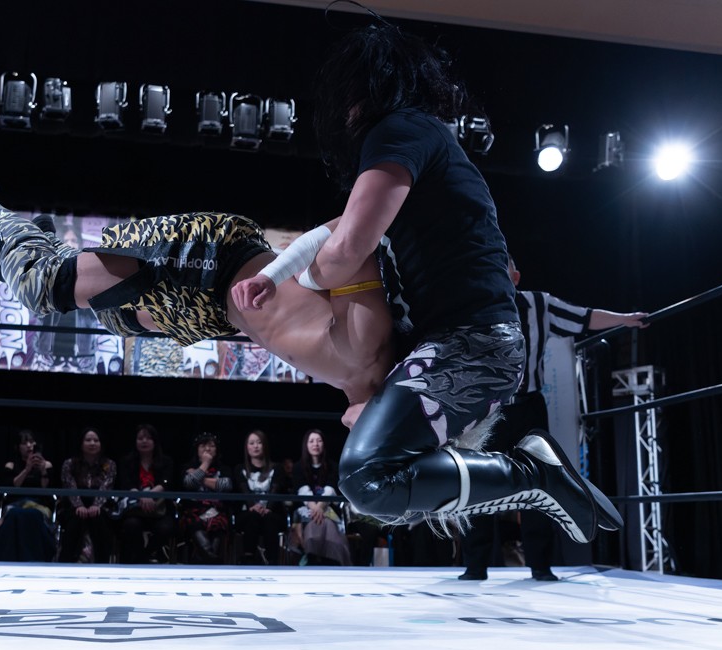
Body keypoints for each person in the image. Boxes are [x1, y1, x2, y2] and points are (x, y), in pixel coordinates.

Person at [233, 22, 623, 542]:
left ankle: (533, 473)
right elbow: (329, 233)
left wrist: (309, 278)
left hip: (471, 343)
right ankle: (531, 472)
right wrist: (272, 274)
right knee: (381, 474)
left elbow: (342, 253)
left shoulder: (398, 132)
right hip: (463, 343)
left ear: (361, 92)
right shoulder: (421, 147)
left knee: (368, 477)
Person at [0, 176, 392, 415]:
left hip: (210, 311)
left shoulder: (357, 380)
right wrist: (278, 272)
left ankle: (48, 248)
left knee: (117, 320)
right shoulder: (365, 348)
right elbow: (350, 234)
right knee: (39, 285)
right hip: (212, 264)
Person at [460, 255, 648, 580]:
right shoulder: (472, 307)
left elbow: (583, 317)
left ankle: (540, 565)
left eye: (501, 270)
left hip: (528, 406)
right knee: (478, 482)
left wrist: (625, 319)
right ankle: (475, 565)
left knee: (540, 480)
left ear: (515, 277)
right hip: (486, 408)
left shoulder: (539, 305)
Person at [30, 221, 104, 374]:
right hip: (46, 353)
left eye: (74, 240)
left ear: (79, 243)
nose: (70, 244)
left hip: (83, 355)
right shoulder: (47, 268)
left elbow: (98, 311)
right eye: (66, 240)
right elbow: (35, 308)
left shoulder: (90, 270)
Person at [0, 429, 56, 562]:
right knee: (14, 514)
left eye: (31, 442)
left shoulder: (47, 465)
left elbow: (47, 489)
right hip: (15, 503)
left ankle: (34, 558)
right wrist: (27, 469)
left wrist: (43, 470)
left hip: (39, 504)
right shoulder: (11, 465)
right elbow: (12, 487)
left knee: (32, 514)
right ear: (18, 447)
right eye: (25, 443)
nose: (29, 446)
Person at [290, 429, 352, 566]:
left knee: (328, 524)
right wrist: (315, 508)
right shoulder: (298, 467)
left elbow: (331, 489)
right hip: (305, 509)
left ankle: (333, 563)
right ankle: (312, 559)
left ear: (324, 444)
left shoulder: (333, 466)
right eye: (311, 441)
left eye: (319, 441)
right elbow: (302, 490)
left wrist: (320, 507)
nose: (315, 444)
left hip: (328, 508)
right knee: (316, 524)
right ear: (306, 445)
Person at [116, 423, 176, 564]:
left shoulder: (166, 461)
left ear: (155, 441)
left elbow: (166, 482)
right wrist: (141, 496)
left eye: (148, 438)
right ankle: (139, 558)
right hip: (135, 508)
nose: (144, 441)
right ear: (135, 442)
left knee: (166, 528)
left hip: (160, 508)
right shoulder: (127, 462)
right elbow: (126, 484)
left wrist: (149, 495)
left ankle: (144, 556)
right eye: (140, 438)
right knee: (131, 525)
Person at [57, 428, 116, 563]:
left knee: (99, 519)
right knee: (76, 518)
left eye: (96, 440)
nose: (92, 443)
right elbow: (69, 486)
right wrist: (78, 505)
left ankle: (102, 562)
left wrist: (96, 505)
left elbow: (106, 486)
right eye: (88, 440)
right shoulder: (69, 463)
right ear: (81, 443)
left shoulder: (109, 464)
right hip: (74, 504)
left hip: (100, 505)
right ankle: (68, 562)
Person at [231, 429, 289, 565]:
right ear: (246, 447)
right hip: (247, 513)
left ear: (265, 445)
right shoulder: (240, 469)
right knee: (252, 517)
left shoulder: (277, 468)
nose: (255, 446)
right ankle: (249, 557)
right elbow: (244, 491)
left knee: (269, 518)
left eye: (259, 442)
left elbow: (275, 491)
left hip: (272, 512)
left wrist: (268, 508)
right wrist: (253, 506)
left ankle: (272, 561)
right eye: (252, 443)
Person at [179, 432, 231, 563]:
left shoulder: (224, 469)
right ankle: (212, 560)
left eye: (211, 446)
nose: (207, 449)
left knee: (218, 524)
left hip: (217, 511)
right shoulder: (187, 467)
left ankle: (204, 560)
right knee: (194, 523)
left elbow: (225, 485)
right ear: (197, 450)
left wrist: (199, 477)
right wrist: (205, 464)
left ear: (217, 450)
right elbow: (189, 483)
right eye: (203, 446)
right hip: (193, 512)